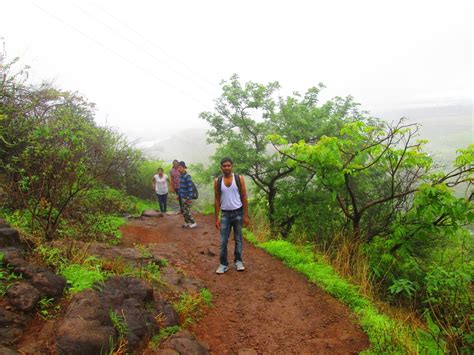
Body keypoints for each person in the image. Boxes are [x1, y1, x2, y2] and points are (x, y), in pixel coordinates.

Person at [214, 157, 249, 274]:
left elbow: (244, 196)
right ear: (221, 167)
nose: (227, 168)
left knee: (238, 239)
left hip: (238, 212)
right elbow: (217, 199)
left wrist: (246, 215)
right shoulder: (217, 181)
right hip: (225, 214)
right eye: (224, 166)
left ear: (232, 166)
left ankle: (238, 261)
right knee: (223, 241)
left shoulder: (239, 179)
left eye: (228, 165)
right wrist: (216, 218)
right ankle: (223, 264)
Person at [177, 161, 197, 228]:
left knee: (187, 211)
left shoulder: (187, 176)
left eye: (180, 167)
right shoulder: (180, 176)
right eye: (178, 168)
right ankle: (187, 222)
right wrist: (178, 195)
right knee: (184, 211)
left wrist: (190, 198)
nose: (178, 169)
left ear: (184, 168)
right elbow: (180, 187)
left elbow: (190, 188)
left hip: (187, 197)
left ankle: (193, 223)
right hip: (182, 197)